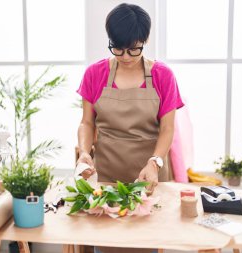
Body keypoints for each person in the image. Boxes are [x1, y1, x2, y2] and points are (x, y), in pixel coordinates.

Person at [77, 3, 184, 252]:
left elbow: (168, 128)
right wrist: (84, 152)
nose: (125, 57)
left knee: (146, 243)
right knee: (108, 243)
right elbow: (86, 122)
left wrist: (155, 162)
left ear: (143, 41)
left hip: (149, 175)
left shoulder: (162, 76)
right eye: (118, 48)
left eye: (133, 49)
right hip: (108, 176)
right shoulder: (95, 74)